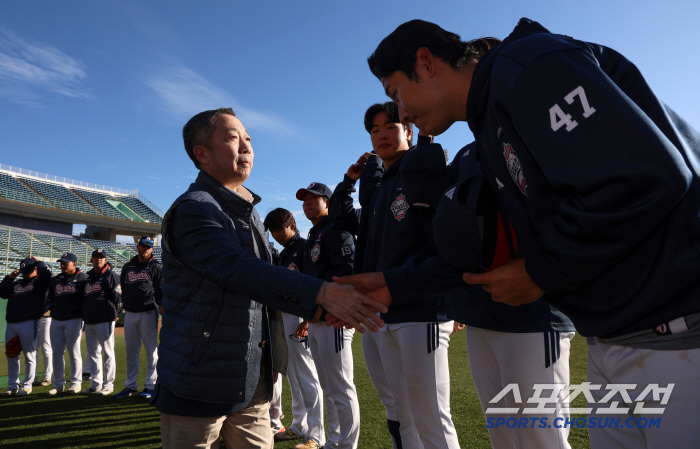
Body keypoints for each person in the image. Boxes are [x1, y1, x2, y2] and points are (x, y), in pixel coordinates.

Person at [345, 17, 700, 448]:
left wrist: (540, 271)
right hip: (615, 335)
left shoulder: (530, 66)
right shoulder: (489, 121)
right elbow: (488, 253)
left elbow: (646, 178)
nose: (401, 112)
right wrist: (393, 282)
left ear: (426, 61)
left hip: (677, 330)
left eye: (396, 92)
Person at [152, 108, 388, 449]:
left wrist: (317, 311)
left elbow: (263, 285)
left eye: (248, 138)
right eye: (233, 138)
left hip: (250, 382)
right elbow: (240, 272)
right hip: (199, 382)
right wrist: (322, 294)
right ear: (201, 153)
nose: (247, 146)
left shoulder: (248, 211)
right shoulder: (194, 208)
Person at [330, 102, 458, 449]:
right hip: (379, 312)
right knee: (399, 409)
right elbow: (342, 215)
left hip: (420, 308)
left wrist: (425, 141)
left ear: (409, 130)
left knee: (429, 413)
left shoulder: (422, 169)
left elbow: (445, 241)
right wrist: (349, 180)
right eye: (374, 129)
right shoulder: (380, 187)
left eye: (391, 126)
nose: (382, 134)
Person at [295, 182, 359, 449]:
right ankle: (334, 442)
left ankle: (346, 445)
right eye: (305, 200)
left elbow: (348, 271)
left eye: (314, 199)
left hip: (335, 318)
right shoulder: (315, 233)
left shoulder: (335, 229)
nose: (308, 203)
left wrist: (327, 308)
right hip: (319, 319)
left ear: (328, 202)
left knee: (341, 388)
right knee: (329, 386)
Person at [264, 208, 325, 446]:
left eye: (279, 228)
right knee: (295, 378)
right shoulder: (285, 252)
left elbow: (313, 284)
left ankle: (316, 435)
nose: (276, 234)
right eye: (273, 230)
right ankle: (299, 425)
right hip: (285, 317)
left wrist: (308, 320)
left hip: (301, 318)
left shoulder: (304, 247)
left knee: (308, 377)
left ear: (291, 224)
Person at [116, 235, 163, 400]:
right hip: (130, 313)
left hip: (148, 312)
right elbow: (123, 286)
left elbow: (160, 289)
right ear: (138, 246)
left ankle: (150, 386)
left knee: (151, 351)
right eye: (143, 246)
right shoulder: (128, 266)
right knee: (131, 352)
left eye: (149, 246)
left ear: (152, 249)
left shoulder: (156, 266)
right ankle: (130, 386)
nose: (146, 249)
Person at [0, 257, 52, 396]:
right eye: (23, 271)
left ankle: (27, 384)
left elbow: (47, 276)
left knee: (30, 355)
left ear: (35, 270)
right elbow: (2, 293)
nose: (24, 273)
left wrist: (40, 262)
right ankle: (12, 386)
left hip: (30, 322)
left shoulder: (39, 283)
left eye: (27, 271)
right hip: (12, 323)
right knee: (11, 355)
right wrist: (9, 278)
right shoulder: (16, 283)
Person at [81, 248, 122, 395]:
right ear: (91, 260)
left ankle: (108, 385)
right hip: (90, 320)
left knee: (108, 353)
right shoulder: (88, 277)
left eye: (101, 257)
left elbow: (119, 299)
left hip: (105, 319)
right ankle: (96, 384)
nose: (98, 259)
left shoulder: (111, 275)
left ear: (105, 260)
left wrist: (115, 314)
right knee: (93, 353)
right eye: (96, 257)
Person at [47, 252, 88, 395]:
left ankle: (75, 383)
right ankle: (58, 384)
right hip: (56, 320)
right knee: (56, 354)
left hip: (74, 319)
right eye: (61, 262)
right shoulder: (56, 280)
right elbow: (52, 298)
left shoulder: (83, 279)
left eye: (66, 262)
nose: (63, 265)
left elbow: (86, 300)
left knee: (74, 352)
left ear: (74, 264)